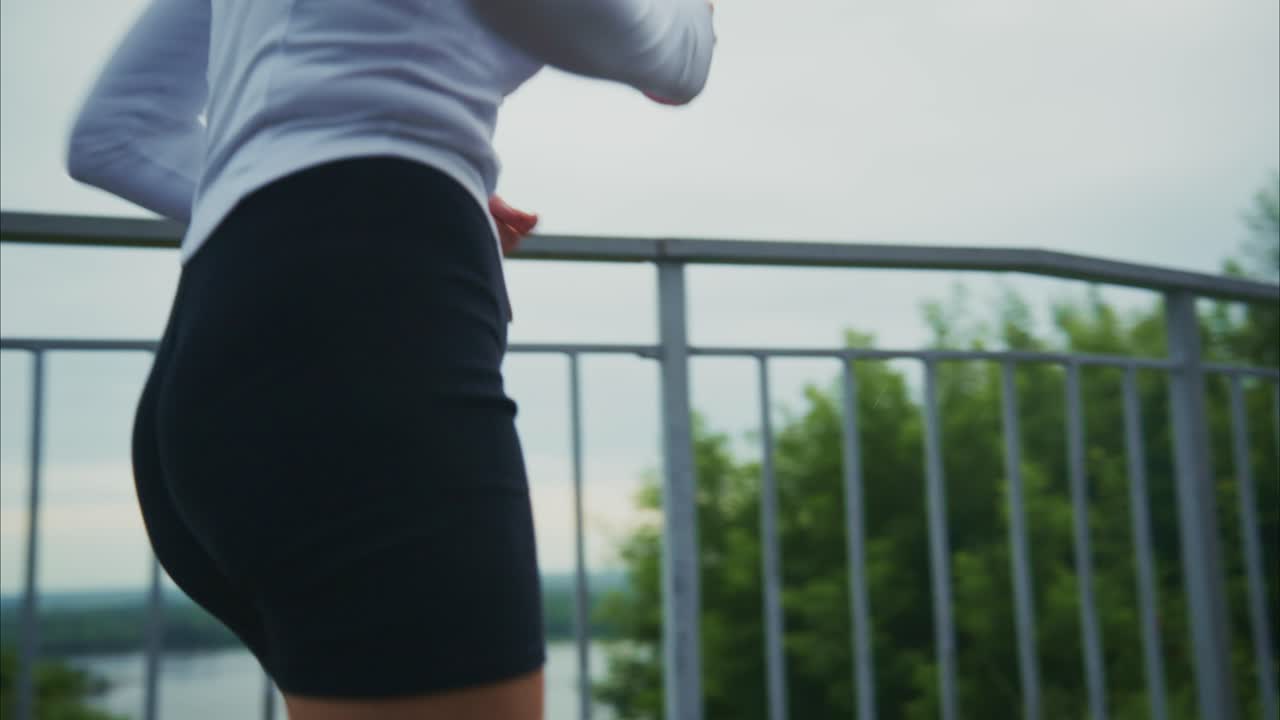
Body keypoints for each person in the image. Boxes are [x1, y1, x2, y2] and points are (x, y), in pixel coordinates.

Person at [64, 0, 715, 717]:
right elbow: (618, 38)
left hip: (219, 349)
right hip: (363, 344)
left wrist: (334, 178)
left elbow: (115, 134)